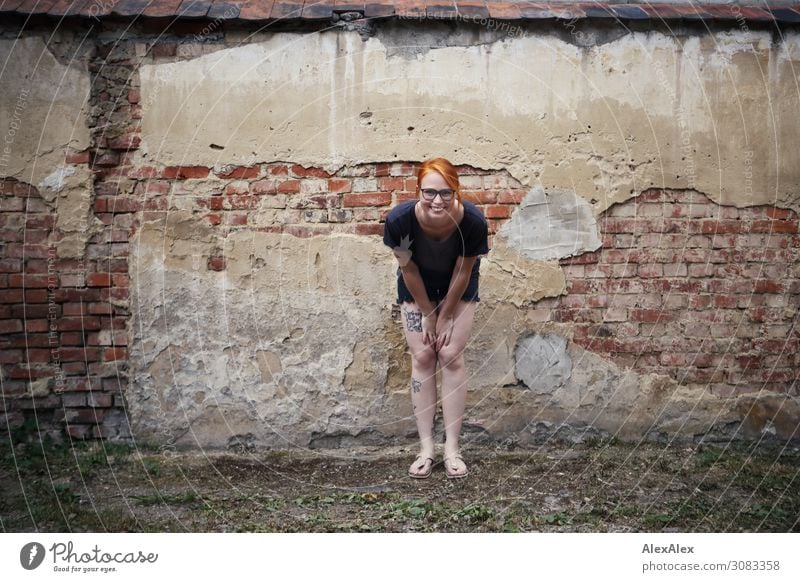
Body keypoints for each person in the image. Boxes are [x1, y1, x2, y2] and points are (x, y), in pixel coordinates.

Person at [382, 157, 489, 479]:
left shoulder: (471, 221)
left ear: (455, 191)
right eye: (429, 192)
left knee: (451, 355)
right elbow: (408, 268)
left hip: (459, 283)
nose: (437, 201)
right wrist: (429, 313)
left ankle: (452, 448)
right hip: (417, 285)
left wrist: (444, 317)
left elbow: (464, 269)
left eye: (445, 193)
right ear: (418, 191)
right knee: (424, 355)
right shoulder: (400, 221)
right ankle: (426, 448)